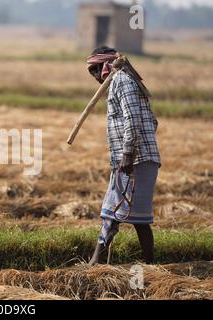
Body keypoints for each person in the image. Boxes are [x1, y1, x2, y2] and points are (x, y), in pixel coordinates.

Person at [86, 46, 161, 265]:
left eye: (94, 70)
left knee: (125, 214)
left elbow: (134, 121)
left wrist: (129, 154)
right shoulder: (124, 82)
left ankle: (146, 266)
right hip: (129, 159)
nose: (94, 77)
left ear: (105, 65)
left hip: (135, 160)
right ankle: (98, 264)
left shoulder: (122, 81)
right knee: (119, 214)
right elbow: (152, 122)